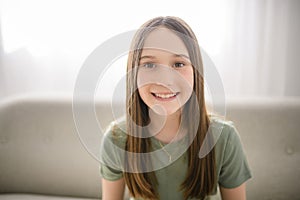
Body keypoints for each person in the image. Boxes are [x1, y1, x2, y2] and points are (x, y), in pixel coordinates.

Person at [100, 16, 252, 200]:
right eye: (149, 64)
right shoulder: (116, 139)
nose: (165, 80)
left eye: (178, 64)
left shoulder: (224, 138)